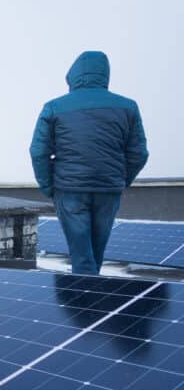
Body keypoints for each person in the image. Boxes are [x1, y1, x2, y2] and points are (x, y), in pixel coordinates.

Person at [29, 50, 148, 275]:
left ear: (73, 75)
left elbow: (38, 151)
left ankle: (85, 294)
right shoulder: (128, 107)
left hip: (69, 190)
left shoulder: (54, 107)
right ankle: (92, 292)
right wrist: (120, 180)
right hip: (108, 190)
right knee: (96, 253)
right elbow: (139, 153)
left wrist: (48, 187)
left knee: (82, 257)